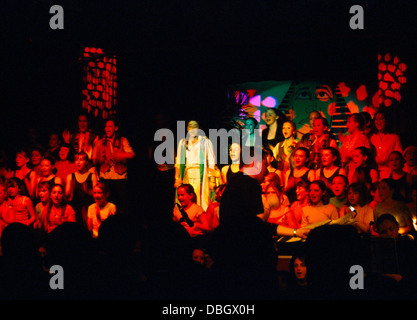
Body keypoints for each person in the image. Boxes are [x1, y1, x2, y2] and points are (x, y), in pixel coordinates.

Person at [92, 116, 135, 214]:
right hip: (105, 178)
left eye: (110, 126)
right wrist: (98, 155)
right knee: (106, 206)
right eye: (106, 126)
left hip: (120, 179)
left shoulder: (122, 140)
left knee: (121, 206)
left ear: (115, 128)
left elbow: (131, 154)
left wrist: (120, 155)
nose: (107, 128)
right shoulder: (100, 142)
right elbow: (94, 160)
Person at [174, 120, 215, 211]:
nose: (192, 129)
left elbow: (211, 161)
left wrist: (212, 179)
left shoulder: (205, 142)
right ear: (187, 129)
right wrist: (177, 177)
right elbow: (179, 161)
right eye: (190, 127)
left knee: (200, 201)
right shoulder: (183, 143)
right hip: (187, 176)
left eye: (195, 127)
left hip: (200, 176)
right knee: (186, 201)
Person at [66, 151, 98, 226]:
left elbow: (97, 195)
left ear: (86, 162)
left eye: (81, 160)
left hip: (89, 208)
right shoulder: (70, 176)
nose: (78, 162)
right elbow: (67, 195)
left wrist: (87, 190)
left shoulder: (92, 176)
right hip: (75, 208)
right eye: (76, 160)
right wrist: (70, 190)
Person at [370, 109, 403, 179]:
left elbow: (398, 155)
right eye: (376, 119)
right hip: (374, 172)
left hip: (390, 171)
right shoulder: (371, 137)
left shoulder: (394, 137)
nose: (378, 121)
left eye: (381, 119)